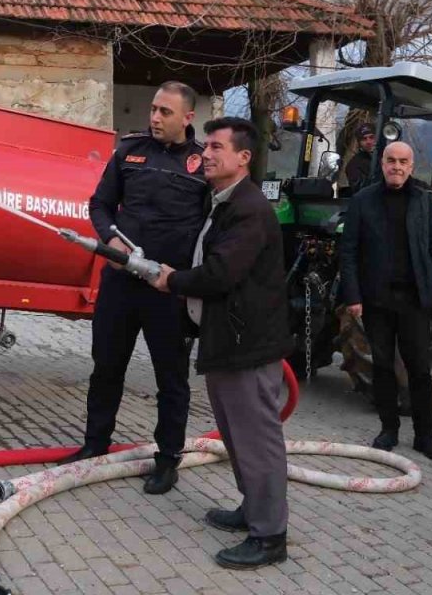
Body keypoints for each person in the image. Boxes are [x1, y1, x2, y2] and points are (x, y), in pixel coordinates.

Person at [153, 117, 292, 570]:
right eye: (206, 146)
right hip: (228, 342)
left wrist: (172, 281)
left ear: (243, 158)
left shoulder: (249, 209)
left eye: (216, 147)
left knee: (257, 442)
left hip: (246, 348)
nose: (206, 154)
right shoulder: (226, 202)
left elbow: (219, 275)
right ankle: (252, 511)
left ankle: (270, 536)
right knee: (237, 438)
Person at [63, 81, 209, 496]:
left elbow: (212, 228)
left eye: (165, 112)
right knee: (106, 367)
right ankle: (95, 444)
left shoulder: (202, 165)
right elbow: (100, 204)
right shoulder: (129, 152)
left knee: (171, 379)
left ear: (187, 118)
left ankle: (167, 460)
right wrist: (109, 237)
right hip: (121, 283)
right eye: (154, 110)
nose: (155, 118)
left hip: (168, 291)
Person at [340, 140, 432, 462]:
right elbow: (349, 252)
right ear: (382, 163)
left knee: (419, 369)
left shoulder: (423, 201)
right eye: (391, 160)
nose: (397, 167)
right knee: (383, 366)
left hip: (414, 300)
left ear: (411, 167)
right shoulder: (363, 201)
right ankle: (388, 429)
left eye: (403, 162)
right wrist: (354, 296)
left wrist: (430, 286)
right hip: (377, 300)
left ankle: (424, 436)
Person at [343, 122, 378, 190]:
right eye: (364, 139)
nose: (368, 142)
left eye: (371, 137)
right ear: (359, 143)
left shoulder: (388, 157)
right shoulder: (354, 165)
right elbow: (361, 189)